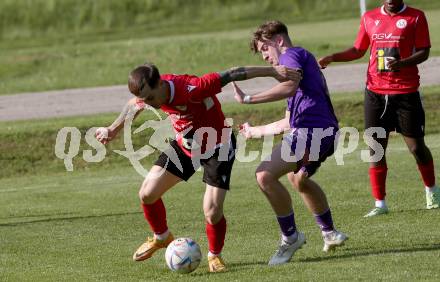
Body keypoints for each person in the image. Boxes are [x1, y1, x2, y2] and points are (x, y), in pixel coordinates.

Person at [95, 62, 301, 272]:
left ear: (160, 84)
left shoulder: (193, 88)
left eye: (150, 98)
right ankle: (162, 237)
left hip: (218, 147)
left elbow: (233, 73)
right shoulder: (149, 92)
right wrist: (113, 129)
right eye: (145, 98)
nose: (148, 102)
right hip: (186, 147)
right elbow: (134, 103)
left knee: (211, 211)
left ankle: (214, 256)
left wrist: (273, 71)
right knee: (147, 194)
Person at [232, 20, 347, 266]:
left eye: (264, 48)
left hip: (313, 132)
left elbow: (288, 85)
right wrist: (256, 131)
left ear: (279, 41)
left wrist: (249, 98)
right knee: (298, 179)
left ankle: (290, 237)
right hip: (322, 132)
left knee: (264, 175)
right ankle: (329, 232)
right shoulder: (301, 73)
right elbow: (287, 123)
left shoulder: (292, 55)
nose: (264, 56)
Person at [318, 0, 439, 217]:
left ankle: (432, 191)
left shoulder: (416, 17)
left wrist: (402, 64)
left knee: (416, 148)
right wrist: (333, 57)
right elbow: (358, 50)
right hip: (374, 92)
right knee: (376, 148)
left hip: (405, 92)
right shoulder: (369, 17)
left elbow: (424, 52)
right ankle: (380, 203)